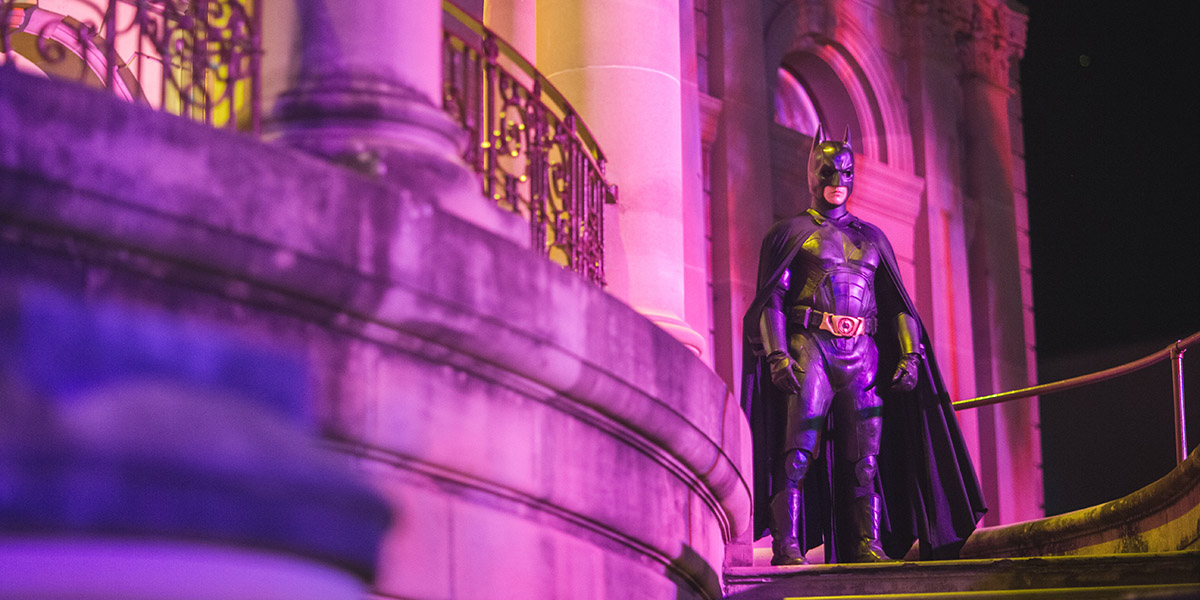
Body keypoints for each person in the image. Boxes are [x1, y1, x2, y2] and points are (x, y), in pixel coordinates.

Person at [741, 125, 986, 565]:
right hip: (808, 347)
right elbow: (771, 299)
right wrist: (777, 353)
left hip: (863, 354)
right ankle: (787, 544)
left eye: (847, 173)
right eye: (828, 171)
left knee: (865, 460)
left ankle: (865, 542)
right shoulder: (790, 233)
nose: (839, 182)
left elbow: (898, 304)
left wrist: (910, 354)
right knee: (797, 452)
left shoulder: (873, 238)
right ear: (812, 173)